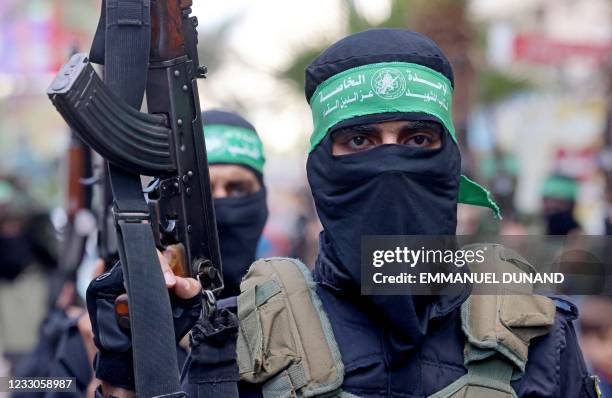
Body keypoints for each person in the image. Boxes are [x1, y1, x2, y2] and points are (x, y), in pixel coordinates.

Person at [87, 29, 599, 398]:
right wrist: (132, 354)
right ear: (320, 170)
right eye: (360, 140)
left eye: (418, 139)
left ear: (449, 162)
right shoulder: (244, 339)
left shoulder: (538, 336)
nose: (391, 162)